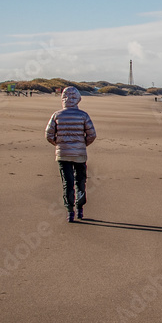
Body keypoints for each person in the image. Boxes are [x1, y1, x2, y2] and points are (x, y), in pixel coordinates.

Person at [45, 87, 96, 222]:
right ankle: (79, 208)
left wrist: (58, 144)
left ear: (63, 99)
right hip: (79, 154)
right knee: (80, 181)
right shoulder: (83, 115)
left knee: (67, 182)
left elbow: (48, 134)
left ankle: (70, 212)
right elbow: (92, 134)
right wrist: (83, 144)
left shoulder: (57, 115)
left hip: (63, 154)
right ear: (78, 99)